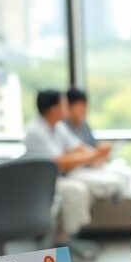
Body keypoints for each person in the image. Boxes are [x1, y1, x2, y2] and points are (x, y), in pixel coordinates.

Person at [23, 90, 99, 238]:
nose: (66, 107)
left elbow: (77, 146)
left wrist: (93, 153)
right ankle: (64, 239)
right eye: (64, 104)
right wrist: (94, 154)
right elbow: (58, 162)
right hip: (40, 183)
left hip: (57, 178)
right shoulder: (36, 131)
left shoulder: (58, 126)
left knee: (82, 189)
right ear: (53, 109)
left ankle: (66, 237)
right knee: (77, 191)